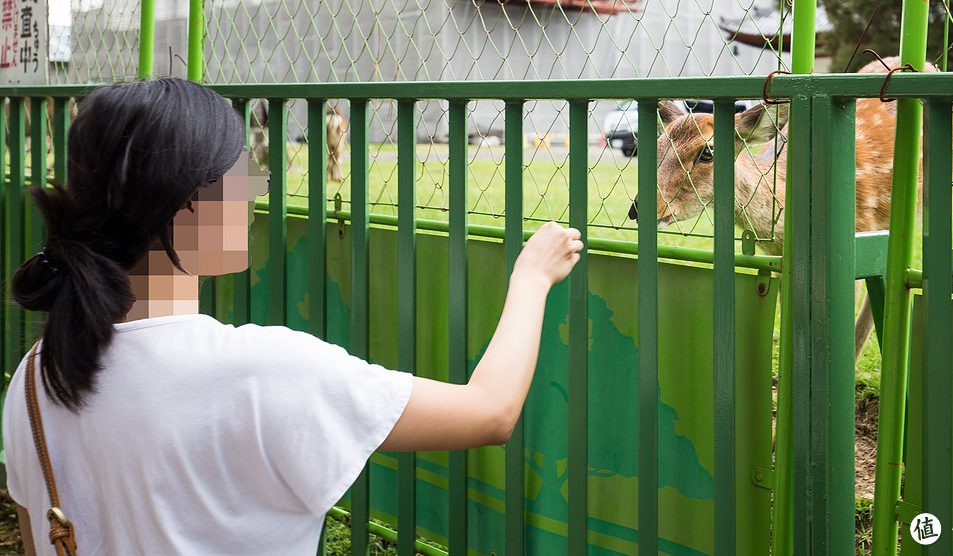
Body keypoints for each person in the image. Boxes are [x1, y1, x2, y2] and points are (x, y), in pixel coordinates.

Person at [1, 78, 583, 556]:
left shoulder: (36, 377)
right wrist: (532, 278)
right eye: (239, 171)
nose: (259, 184)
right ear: (184, 206)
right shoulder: (264, 371)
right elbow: (489, 412)